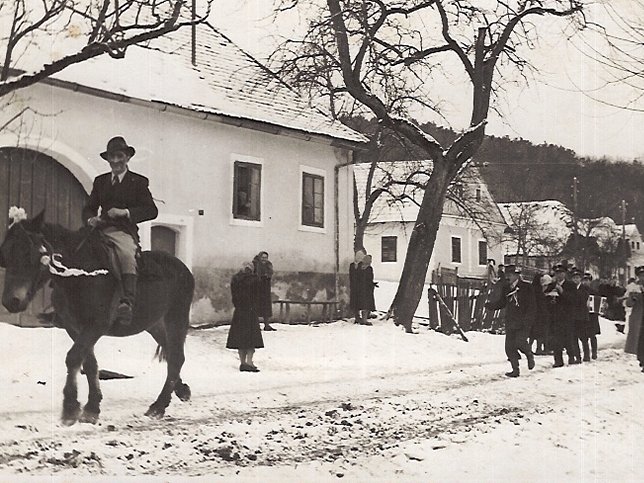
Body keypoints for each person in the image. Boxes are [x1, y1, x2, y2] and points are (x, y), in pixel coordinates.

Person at [82, 136, 158, 325]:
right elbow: (89, 207)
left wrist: (125, 212)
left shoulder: (138, 182)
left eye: (119, 156)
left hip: (123, 231)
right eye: (111, 157)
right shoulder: (100, 181)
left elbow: (151, 211)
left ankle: (127, 301)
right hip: (99, 229)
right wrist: (91, 218)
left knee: (126, 254)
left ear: (127, 157)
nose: (115, 161)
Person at [485, 265, 535, 377]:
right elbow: (502, 302)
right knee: (509, 347)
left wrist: (528, 320)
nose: (508, 277)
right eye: (508, 274)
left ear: (517, 275)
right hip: (511, 320)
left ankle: (529, 354)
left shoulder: (527, 287)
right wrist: (491, 306)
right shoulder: (506, 288)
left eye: (511, 274)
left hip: (523, 321)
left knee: (520, 342)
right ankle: (515, 370)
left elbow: (532, 305)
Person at [226, 262, 264, 372]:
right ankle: (249, 362)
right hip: (250, 311)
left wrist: (237, 305)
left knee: (240, 338)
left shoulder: (236, 279)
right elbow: (258, 296)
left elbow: (234, 295)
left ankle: (242, 362)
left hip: (239, 312)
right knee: (251, 338)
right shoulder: (255, 280)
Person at [546, 264, 579, 367]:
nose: (559, 275)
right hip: (555, 316)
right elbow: (545, 297)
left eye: (561, 273)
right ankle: (558, 360)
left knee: (568, 337)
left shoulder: (571, 285)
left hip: (567, 316)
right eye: (557, 273)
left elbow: (574, 300)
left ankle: (571, 357)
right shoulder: (552, 285)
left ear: (565, 274)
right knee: (556, 339)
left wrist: (562, 292)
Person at [567, 269, 591, 362]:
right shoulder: (571, 288)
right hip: (573, 316)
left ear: (580, 279)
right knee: (574, 338)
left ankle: (586, 355)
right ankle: (577, 356)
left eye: (577, 278)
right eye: (574, 278)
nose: (575, 280)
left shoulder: (584, 288)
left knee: (584, 337)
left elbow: (582, 298)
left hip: (582, 316)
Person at [253, 251, 275, 331]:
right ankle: (256, 325)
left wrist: (267, 276)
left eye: (266, 258)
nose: (264, 259)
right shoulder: (255, 264)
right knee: (256, 306)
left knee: (266, 307)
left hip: (265, 288)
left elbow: (270, 274)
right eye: (262, 257)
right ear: (259, 257)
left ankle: (267, 325)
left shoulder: (269, 265)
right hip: (257, 288)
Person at [624, 267, 644, 355]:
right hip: (638, 316)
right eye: (641, 275)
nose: (642, 277)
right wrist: (632, 299)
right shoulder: (634, 288)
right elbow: (628, 304)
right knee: (638, 339)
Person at [582, 272, 601, 360]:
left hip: (592, 316)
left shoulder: (594, 292)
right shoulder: (580, 291)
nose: (586, 282)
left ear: (590, 281)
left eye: (587, 280)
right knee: (584, 336)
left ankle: (594, 353)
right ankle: (586, 355)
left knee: (592, 335)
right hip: (583, 316)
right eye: (584, 280)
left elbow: (600, 303)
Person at [356, 254, 377, 326]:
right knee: (366, 304)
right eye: (370, 260)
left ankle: (358, 318)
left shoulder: (359, 268)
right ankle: (364, 320)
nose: (371, 261)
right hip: (367, 289)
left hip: (359, 289)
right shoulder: (369, 268)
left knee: (360, 304)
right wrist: (372, 284)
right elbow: (369, 279)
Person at [349, 249, 366, 324]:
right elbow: (351, 275)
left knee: (361, 302)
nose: (358, 257)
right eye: (357, 256)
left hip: (361, 288)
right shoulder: (352, 265)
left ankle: (362, 318)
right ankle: (357, 317)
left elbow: (363, 276)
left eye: (360, 256)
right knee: (355, 303)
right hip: (354, 287)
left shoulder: (362, 266)